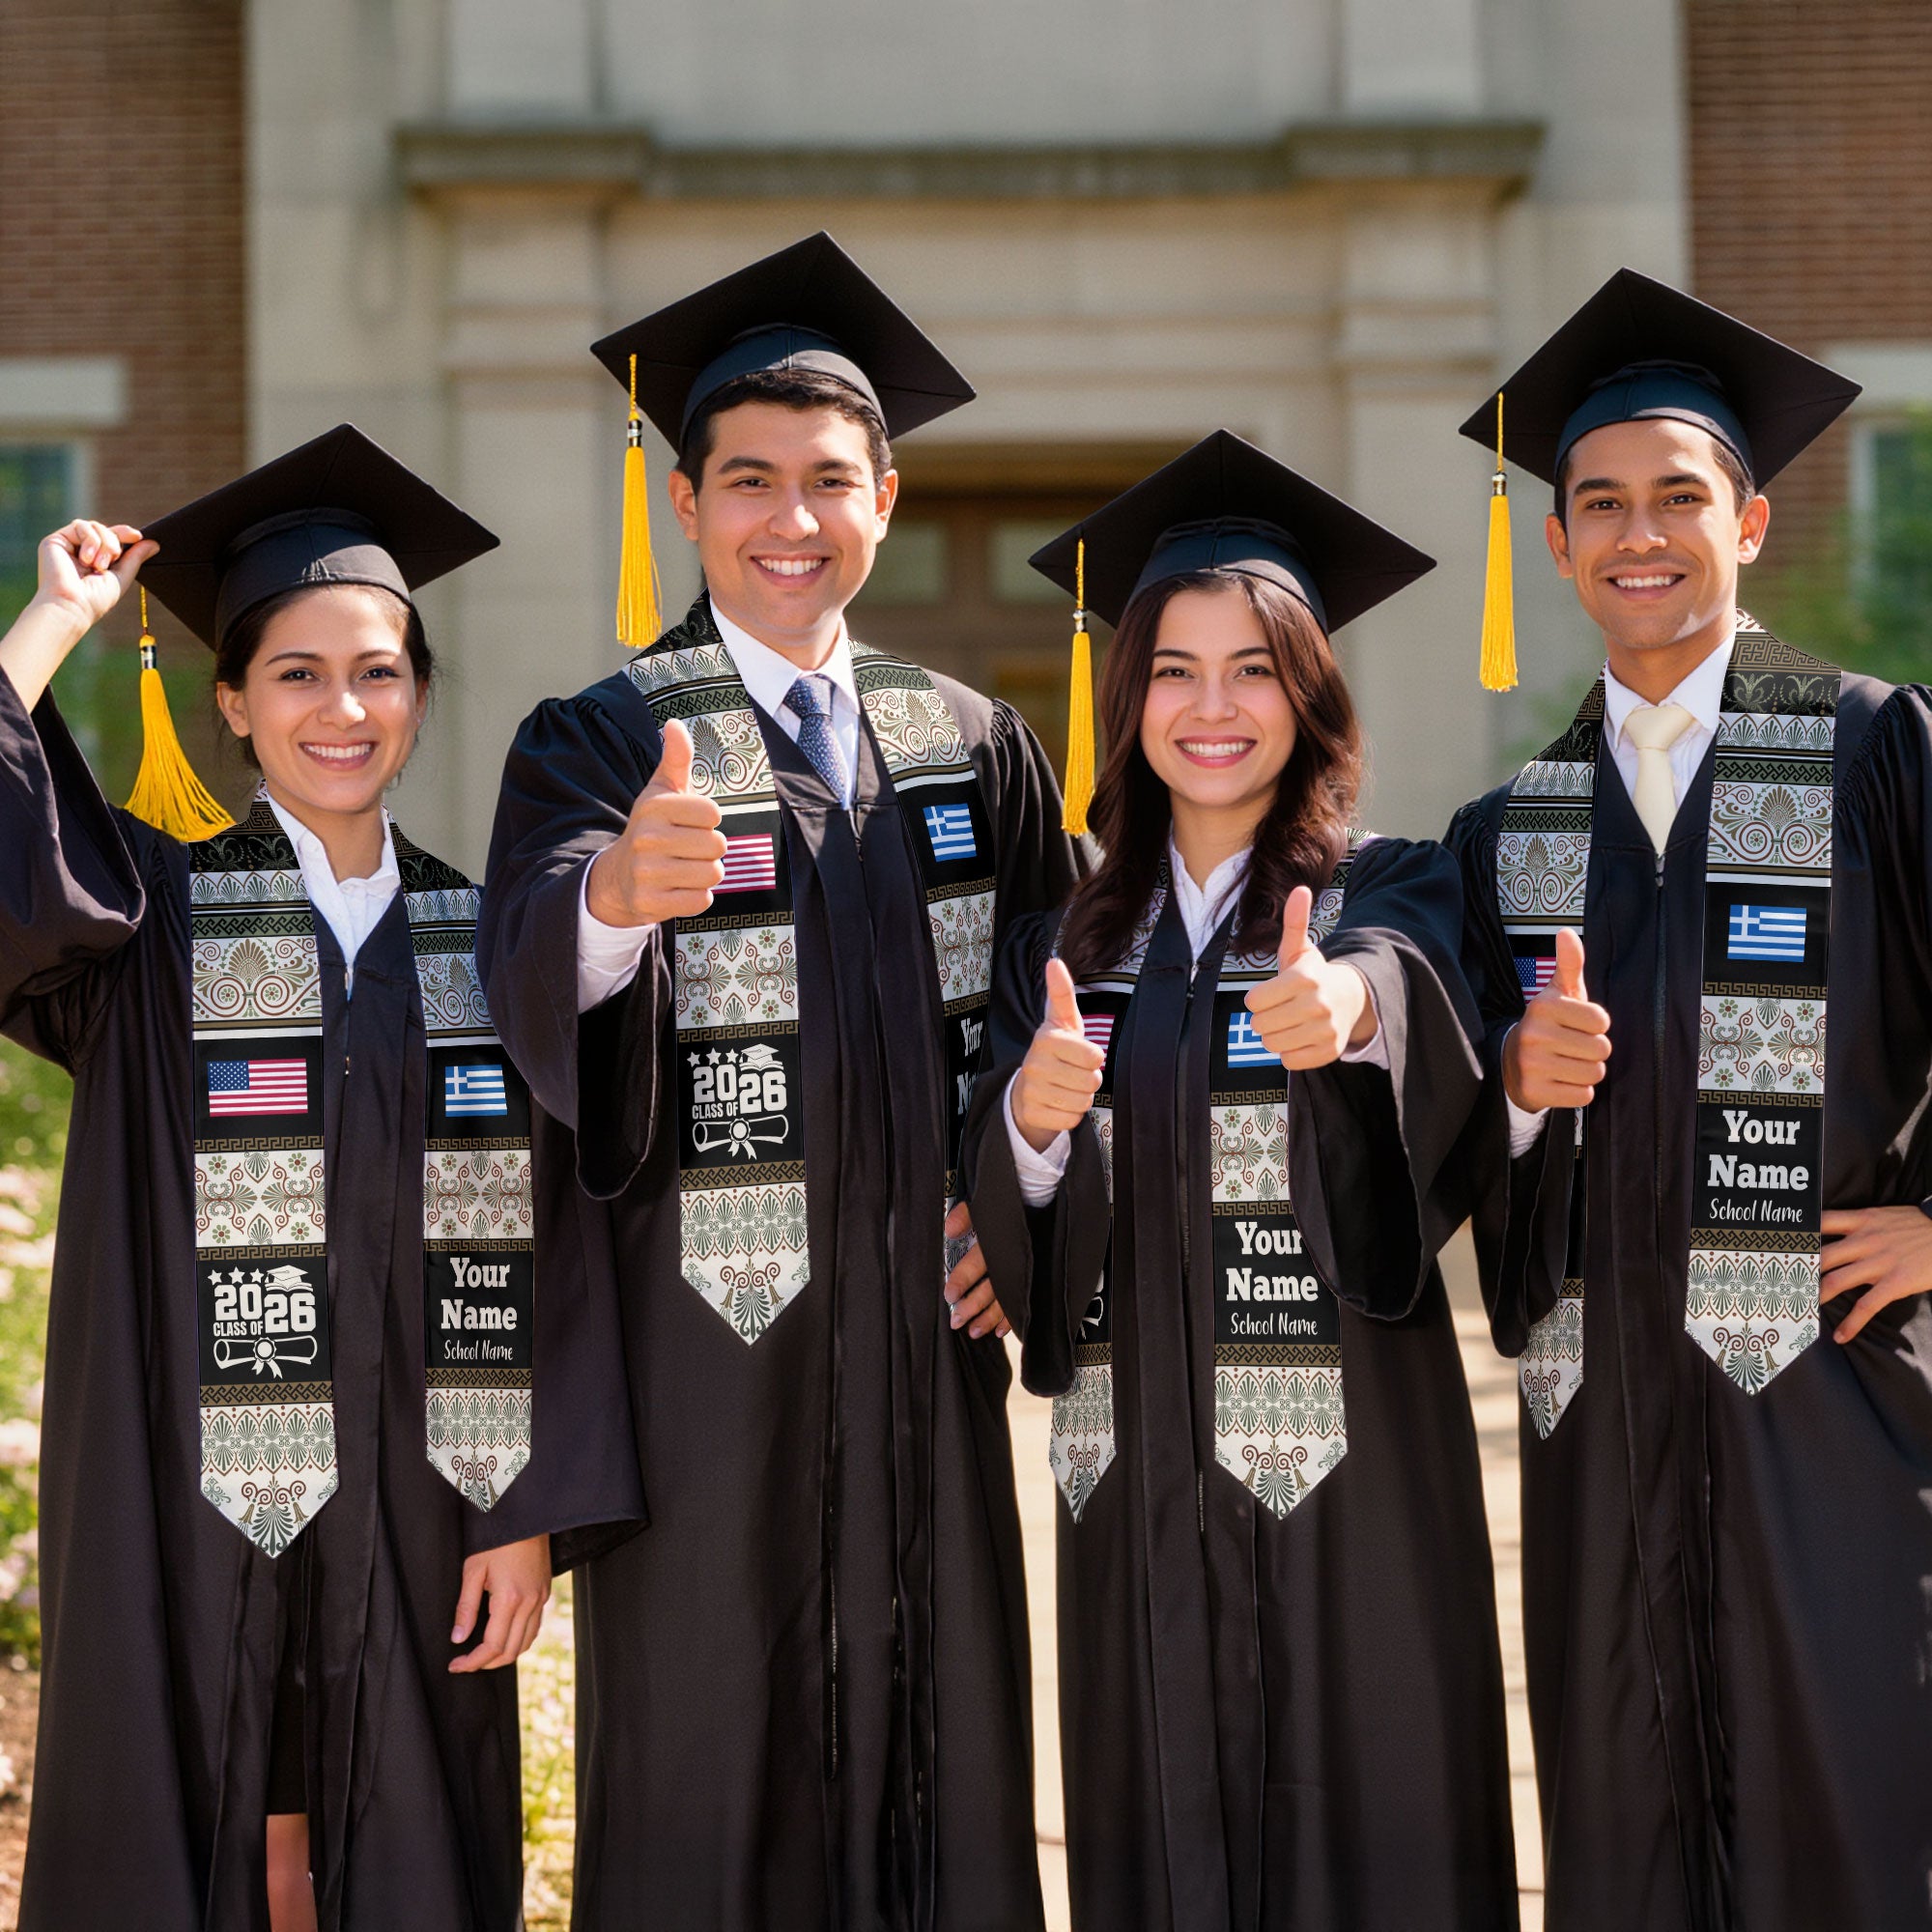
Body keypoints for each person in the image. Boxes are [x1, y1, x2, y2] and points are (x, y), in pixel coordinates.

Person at [479, 233, 1083, 1931]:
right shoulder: (603, 736)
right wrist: (612, 899)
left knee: (940, 1747)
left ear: (886, 497)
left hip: (924, 1356)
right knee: (711, 1762)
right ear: (685, 504)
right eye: (748, 481)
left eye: (829, 481)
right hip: (707, 1366)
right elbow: (526, 961)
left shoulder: (970, 739)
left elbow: (1065, 1003)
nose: (790, 519)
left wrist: (1020, 1205)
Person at [0, 425, 642, 1932]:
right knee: (199, 1815)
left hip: (425, 1494)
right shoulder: (149, 920)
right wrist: (53, 622)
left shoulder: (490, 940)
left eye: (378, 672)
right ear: (231, 701)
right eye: (296, 673)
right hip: (183, 1486)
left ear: (418, 693)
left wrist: (524, 1508)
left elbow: (560, 1241)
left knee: (404, 1836)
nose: (341, 709)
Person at [962, 431, 1519, 1931]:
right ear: (1126, 698)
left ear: (1310, 693)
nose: (1213, 709)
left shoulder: (1390, 883)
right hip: (1133, 1469)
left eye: (1255, 670)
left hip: (1352, 1471)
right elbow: (1011, 1204)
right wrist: (1031, 1124)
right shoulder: (1062, 945)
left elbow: (1408, 990)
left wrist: (1348, 1012)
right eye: (1175, 671)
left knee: (1374, 1826)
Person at [1446, 270, 1932, 1931]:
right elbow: (1450, 1136)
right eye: (1600, 504)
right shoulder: (1513, 829)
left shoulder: (1873, 754)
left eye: (1678, 497)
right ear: (1558, 543)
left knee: (1854, 1812)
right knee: (1628, 1823)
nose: (1638, 534)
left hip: (1832, 1397)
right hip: (1606, 1426)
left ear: (1752, 523)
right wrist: (1516, 1093)